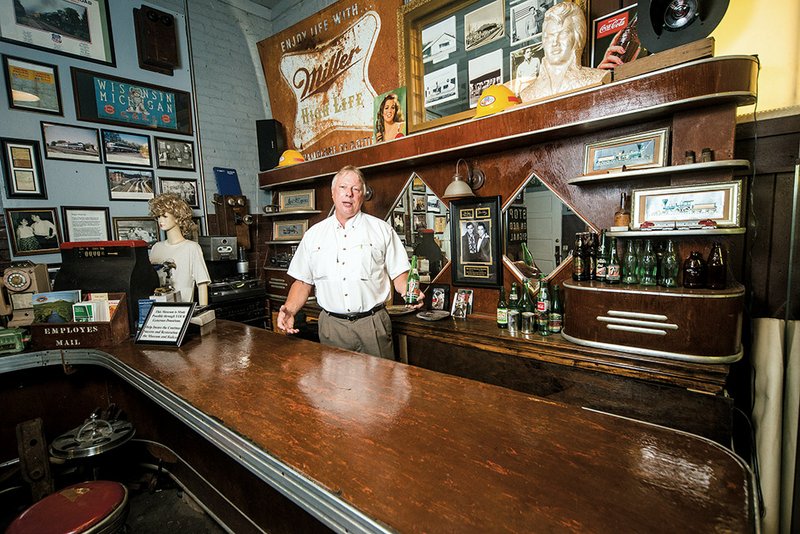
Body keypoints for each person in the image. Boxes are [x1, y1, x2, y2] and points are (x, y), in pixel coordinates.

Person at [277, 165, 423, 359]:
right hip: (331, 326)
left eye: (356, 189)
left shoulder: (382, 230)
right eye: (343, 188)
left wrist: (409, 291)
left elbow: (400, 274)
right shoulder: (314, 235)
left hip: (372, 325)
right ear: (333, 193)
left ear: (362, 195)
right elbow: (303, 282)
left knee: (381, 386)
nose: (349, 194)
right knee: (336, 387)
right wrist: (290, 309)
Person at [520, 2, 610, 102]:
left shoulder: (596, 78)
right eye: (550, 36)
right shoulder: (528, 93)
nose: (555, 42)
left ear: (577, 38)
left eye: (562, 34)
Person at [148, 193, 210, 305]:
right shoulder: (156, 248)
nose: (160, 221)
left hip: (182, 312)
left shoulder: (191, 248)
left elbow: (202, 284)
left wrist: (202, 312)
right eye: (158, 217)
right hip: (159, 312)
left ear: (177, 218)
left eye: (164, 216)